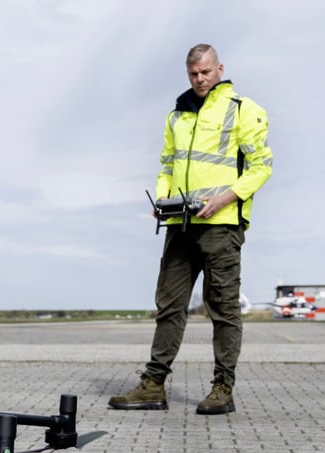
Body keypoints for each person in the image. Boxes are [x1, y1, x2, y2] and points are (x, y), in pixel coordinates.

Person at [109, 43, 273, 415]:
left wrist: (227, 198)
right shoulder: (177, 117)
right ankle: (152, 386)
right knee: (168, 307)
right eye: (193, 74)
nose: (199, 79)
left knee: (224, 310)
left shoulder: (244, 110)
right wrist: (162, 201)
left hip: (221, 224)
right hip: (179, 225)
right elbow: (167, 166)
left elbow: (261, 167)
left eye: (205, 72)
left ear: (220, 69)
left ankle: (222, 389)